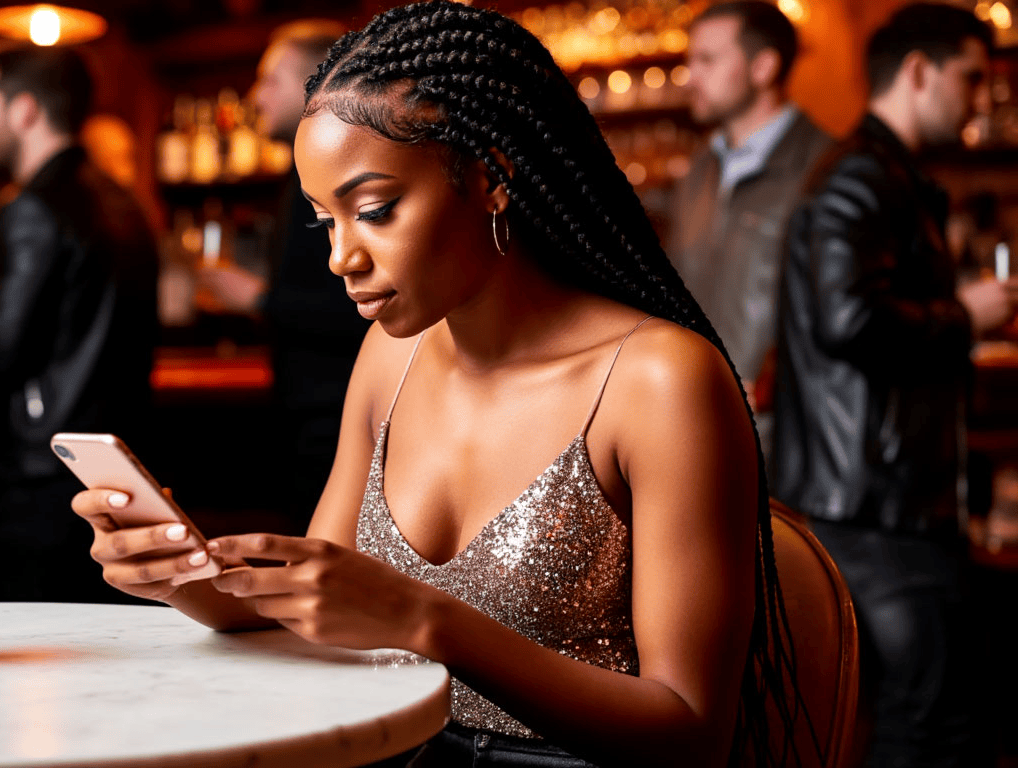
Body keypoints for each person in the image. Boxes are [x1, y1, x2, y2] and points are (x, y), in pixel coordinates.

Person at [74, 3, 804, 766]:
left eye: (375, 210)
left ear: (490, 176)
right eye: (327, 223)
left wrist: (429, 622)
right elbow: (313, 602)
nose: (341, 259)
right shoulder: (390, 360)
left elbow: (693, 732)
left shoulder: (660, 382)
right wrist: (183, 578)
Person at [773, 5, 1014, 766]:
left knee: (921, 716)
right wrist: (962, 315)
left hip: (874, 497)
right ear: (919, 73)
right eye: (971, 78)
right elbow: (849, 322)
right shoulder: (861, 177)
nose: (979, 100)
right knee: (931, 724)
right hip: (879, 505)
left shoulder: (876, 173)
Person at [0, 45, 160, 603]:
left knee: (37, 651)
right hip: (122, 465)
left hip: (43, 472)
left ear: (24, 111)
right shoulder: (127, 204)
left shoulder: (32, 209)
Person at [199, 19, 369, 523]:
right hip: (309, 416)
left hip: (342, 419)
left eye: (269, 79)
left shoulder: (339, 174)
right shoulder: (297, 175)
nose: (255, 96)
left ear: (316, 80)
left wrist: (256, 298)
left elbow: (359, 307)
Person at [669, 0, 832, 454]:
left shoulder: (825, 167)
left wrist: (768, 386)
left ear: (764, 66)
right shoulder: (699, 169)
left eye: (707, 60)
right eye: (689, 61)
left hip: (788, 441)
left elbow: (841, 314)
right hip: (695, 424)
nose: (690, 76)